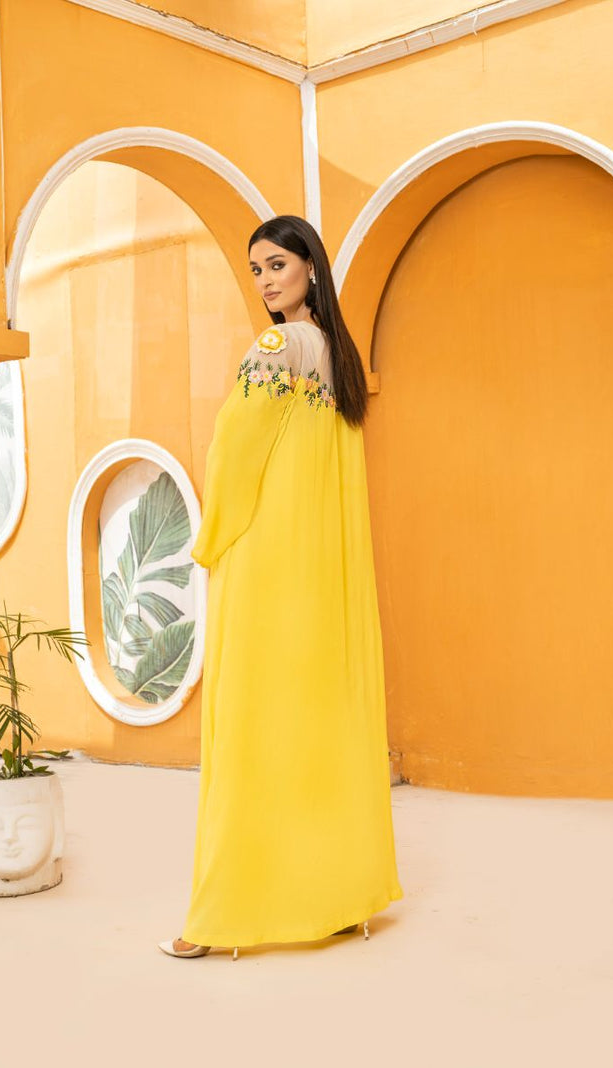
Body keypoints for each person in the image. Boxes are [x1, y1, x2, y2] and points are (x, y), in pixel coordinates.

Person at [158, 214, 404, 959]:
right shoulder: (337, 356)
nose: (266, 281)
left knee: (253, 727)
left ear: (310, 268)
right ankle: (336, 899)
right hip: (323, 572)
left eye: (276, 265)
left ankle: (224, 916)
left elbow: (235, 447)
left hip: (267, 559)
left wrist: (212, 540)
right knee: (317, 723)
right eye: (257, 270)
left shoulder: (277, 347)